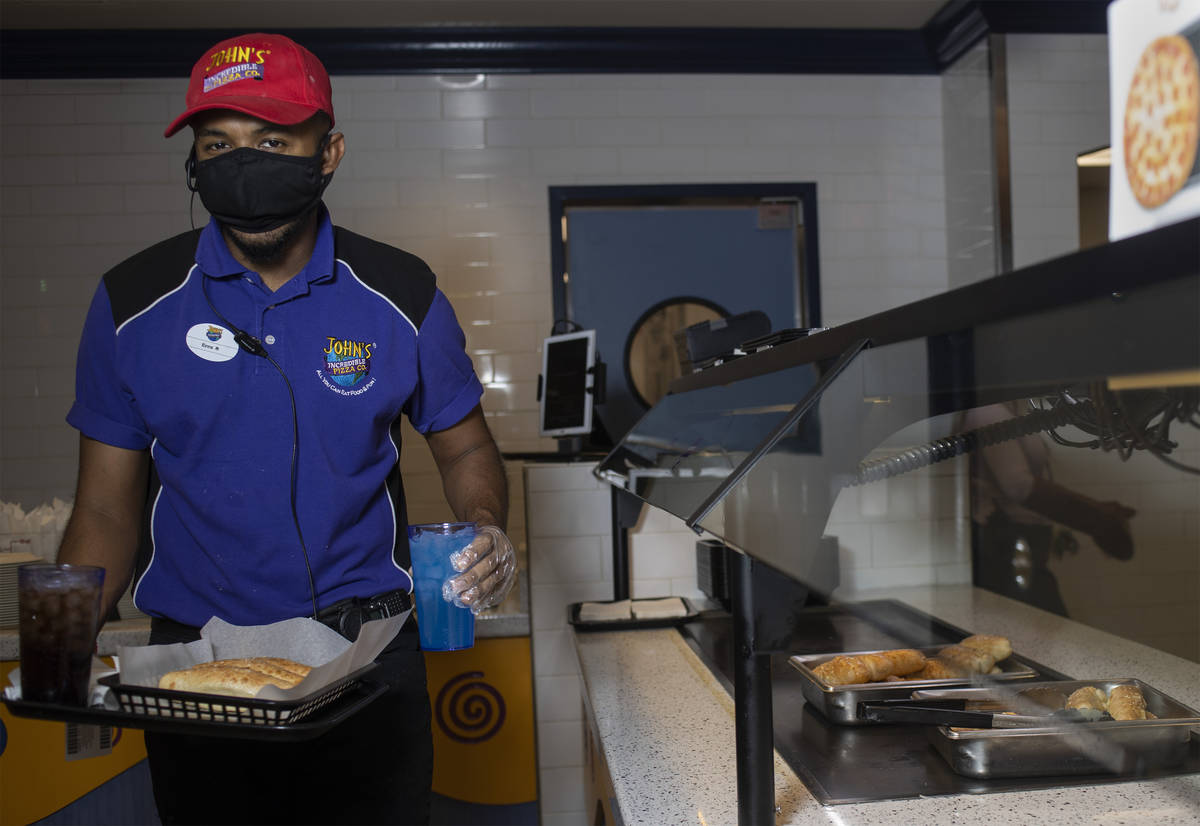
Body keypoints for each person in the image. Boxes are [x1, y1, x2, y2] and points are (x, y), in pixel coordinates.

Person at [56, 32, 516, 825]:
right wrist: (60, 649)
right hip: (198, 667)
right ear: (195, 162)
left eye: (272, 140)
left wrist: (486, 527)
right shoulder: (130, 305)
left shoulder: (402, 293)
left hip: (371, 654)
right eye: (218, 144)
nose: (243, 162)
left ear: (327, 151)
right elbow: (102, 511)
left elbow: (467, 443)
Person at [967, 401, 1135, 616]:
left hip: (1028, 541)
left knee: (1046, 630)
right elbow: (1018, 485)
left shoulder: (1012, 410)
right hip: (1007, 544)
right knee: (1046, 632)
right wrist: (1098, 518)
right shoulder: (988, 412)